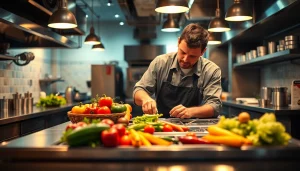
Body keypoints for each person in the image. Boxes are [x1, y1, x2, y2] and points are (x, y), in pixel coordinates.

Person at [133, 23, 222, 118]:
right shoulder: (161, 62)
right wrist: (146, 99)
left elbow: (215, 106)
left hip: (193, 125)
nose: (185, 59)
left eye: (192, 56)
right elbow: (139, 89)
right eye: (183, 52)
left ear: (203, 51)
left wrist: (191, 112)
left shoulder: (211, 70)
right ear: (178, 42)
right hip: (162, 124)